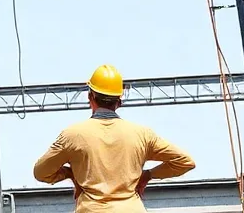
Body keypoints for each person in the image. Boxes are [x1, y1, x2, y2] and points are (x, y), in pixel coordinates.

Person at [33, 64, 196, 212]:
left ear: (90, 97)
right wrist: (147, 175)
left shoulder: (73, 135)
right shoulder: (142, 135)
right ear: (119, 102)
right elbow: (185, 161)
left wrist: (71, 173)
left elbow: (41, 172)